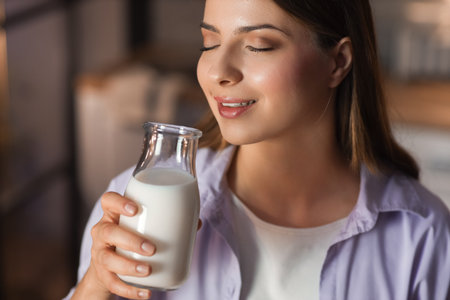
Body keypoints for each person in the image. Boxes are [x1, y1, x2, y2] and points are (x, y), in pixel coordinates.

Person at [65, 0, 450, 299]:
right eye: (209, 42)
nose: (218, 71)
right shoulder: (135, 207)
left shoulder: (421, 234)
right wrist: (96, 287)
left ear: (338, 62)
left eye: (258, 46)